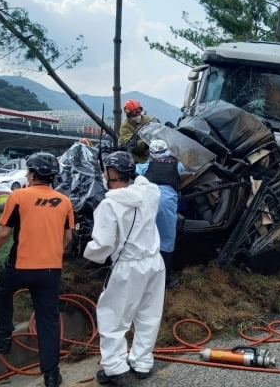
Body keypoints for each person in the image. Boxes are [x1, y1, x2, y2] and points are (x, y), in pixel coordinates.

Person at [0, 152, 74, 387]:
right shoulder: (63, 201)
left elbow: (4, 233)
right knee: (48, 320)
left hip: (20, 266)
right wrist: (53, 252)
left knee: (2, 293)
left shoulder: (19, 196)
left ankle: (3, 336)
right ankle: (52, 375)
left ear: (32, 174)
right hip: (50, 270)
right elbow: (68, 236)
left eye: (28, 171)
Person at [83, 151, 165, 385]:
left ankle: (114, 367)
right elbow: (143, 183)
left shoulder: (108, 206)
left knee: (113, 316)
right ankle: (142, 362)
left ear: (111, 173)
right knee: (149, 314)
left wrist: (87, 252)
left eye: (106, 171)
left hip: (128, 266)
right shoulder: (150, 193)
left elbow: (103, 245)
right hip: (154, 263)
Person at [136, 139, 184, 289]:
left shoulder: (147, 165)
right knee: (166, 240)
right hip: (166, 205)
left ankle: (141, 275)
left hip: (148, 202)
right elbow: (185, 172)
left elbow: (135, 170)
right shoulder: (177, 164)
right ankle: (165, 279)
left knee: (145, 238)